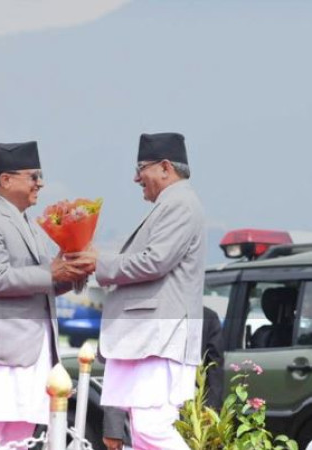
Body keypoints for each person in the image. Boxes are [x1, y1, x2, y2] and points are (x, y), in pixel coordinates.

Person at [0, 141, 94, 449]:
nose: (40, 183)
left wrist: (74, 272)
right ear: (6, 179)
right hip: (1, 351)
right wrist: (53, 273)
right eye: (34, 176)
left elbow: (42, 283)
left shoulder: (29, 224)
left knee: (21, 439)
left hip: (34, 351)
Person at [85, 132, 206, 449]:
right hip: (150, 337)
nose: (136, 178)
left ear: (165, 167)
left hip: (160, 336)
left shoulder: (179, 204)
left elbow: (155, 261)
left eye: (141, 168)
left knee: (152, 428)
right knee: (142, 432)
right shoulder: (171, 204)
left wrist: (99, 262)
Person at [101, 306, 224, 450]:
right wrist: (114, 429)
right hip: (146, 409)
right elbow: (120, 363)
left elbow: (215, 373)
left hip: (191, 419)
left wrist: (208, 417)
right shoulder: (141, 311)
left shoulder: (206, 317)